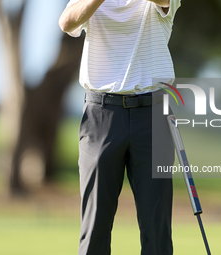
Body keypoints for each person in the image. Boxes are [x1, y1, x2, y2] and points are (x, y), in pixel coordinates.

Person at [59, 0, 181, 254]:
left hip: (153, 115)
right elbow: (67, 22)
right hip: (100, 115)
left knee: (156, 230)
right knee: (95, 227)